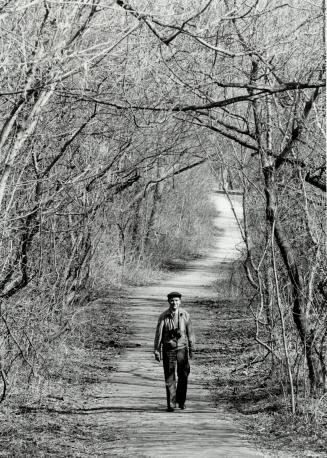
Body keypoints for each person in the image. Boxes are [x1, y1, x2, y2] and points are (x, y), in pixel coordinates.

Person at [154, 291, 195, 412]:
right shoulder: (163, 316)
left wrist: (192, 348)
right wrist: (157, 350)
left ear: (180, 302)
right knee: (169, 377)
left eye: (176, 300)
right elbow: (158, 335)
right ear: (168, 302)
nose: (174, 303)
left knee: (183, 375)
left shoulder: (185, 315)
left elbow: (190, 333)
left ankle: (181, 401)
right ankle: (171, 404)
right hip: (168, 349)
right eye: (172, 300)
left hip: (182, 349)